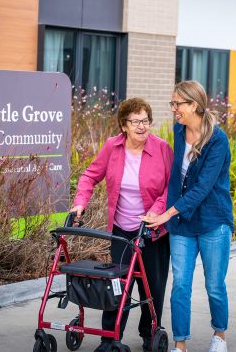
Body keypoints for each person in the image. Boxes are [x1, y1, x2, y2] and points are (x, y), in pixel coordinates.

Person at [70, 97, 174, 352]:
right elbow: (90, 176)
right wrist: (79, 202)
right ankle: (110, 336)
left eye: (146, 120)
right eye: (136, 121)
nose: (142, 126)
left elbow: (172, 188)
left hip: (153, 230)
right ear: (124, 125)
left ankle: (149, 332)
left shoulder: (162, 149)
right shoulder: (112, 147)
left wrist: (156, 211)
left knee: (152, 285)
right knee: (117, 284)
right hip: (121, 232)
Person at [142, 81, 234, 352]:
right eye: (172, 104)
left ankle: (219, 336)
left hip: (212, 222)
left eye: (177, 104)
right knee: (180, 285)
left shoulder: (217, 140)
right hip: (182, 224)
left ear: (193, 105)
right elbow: (175, 180)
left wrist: (166, 214)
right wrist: (164, 211)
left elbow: (203, 188)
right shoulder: (179, 130)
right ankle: (180, 344)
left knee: (214, 285)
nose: (173, 110)